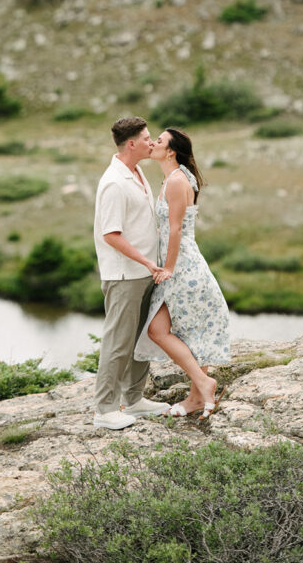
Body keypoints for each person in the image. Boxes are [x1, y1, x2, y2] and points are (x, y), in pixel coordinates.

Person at [135, 127, 230, 417]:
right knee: (181, 330)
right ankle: (197, 396)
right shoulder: (171, 178)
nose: (153, 143)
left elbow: (175, 228)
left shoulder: (177, 180)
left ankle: (203, 383)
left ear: (171, 151)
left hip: (182, 265)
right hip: (177, 262)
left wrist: (169, 268)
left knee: (157, 330)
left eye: (159, 141)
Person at [93, 116, 170, 430]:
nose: (152, 143)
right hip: (124, 275)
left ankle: (134, 399)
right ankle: (105, 409)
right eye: (147, 138)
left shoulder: (136, 171)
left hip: (144, 272)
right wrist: (147, 262)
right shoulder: (113, 182)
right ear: (132, 144)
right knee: (118, 341)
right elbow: (111, 235)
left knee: (140, 338)